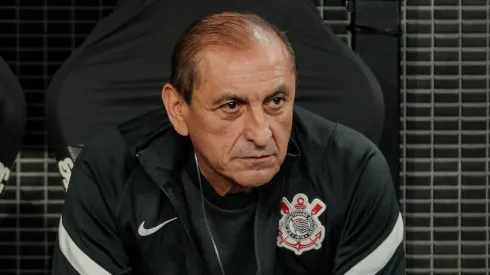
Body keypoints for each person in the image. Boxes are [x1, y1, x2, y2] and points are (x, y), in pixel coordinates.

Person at [51, 12, 405, 275]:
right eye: (231, 106)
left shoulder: (353, 169)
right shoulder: (109, 173)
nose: (261, 133)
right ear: (178, 109)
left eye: (276, 102)